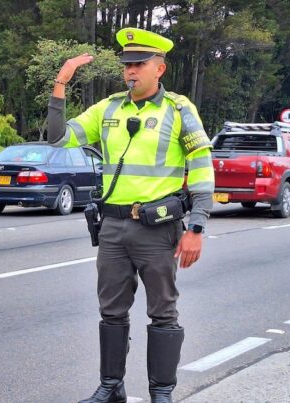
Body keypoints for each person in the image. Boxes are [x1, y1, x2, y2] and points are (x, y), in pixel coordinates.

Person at [46, 28, 214, 403]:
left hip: (158, 230)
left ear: (160, 69)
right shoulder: (107, 109)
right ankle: (111, 386)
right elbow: (57, 138)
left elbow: (201, 167)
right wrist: (61, 84)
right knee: (111, 312)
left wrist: (197, 226)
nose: (131, 71)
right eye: (127, 65)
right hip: (113, 228)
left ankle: (161, 392)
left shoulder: (179, 109)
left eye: (139, 64)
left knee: (163, 313)